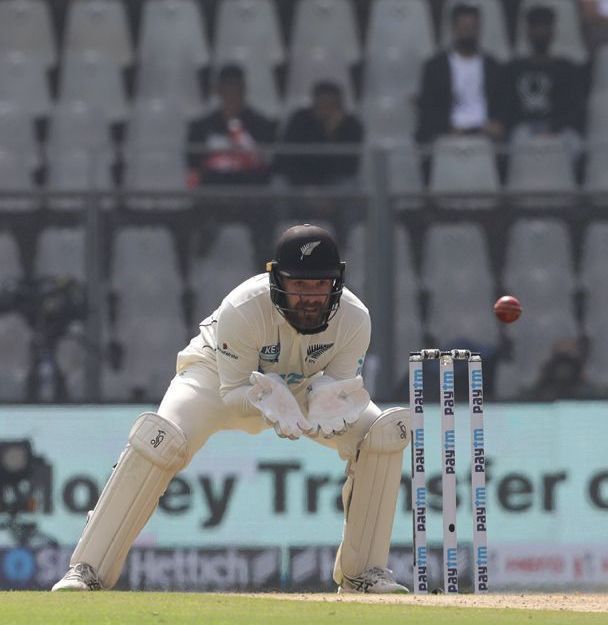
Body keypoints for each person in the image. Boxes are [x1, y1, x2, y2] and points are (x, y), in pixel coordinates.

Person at [51, 224, 411, 594]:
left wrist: (323, 405)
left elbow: (336, 393)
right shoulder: (243, 307)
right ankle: (87, 570)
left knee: (379, 434)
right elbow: (232, 392)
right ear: (276, 279)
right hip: (216, 378)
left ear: (336, 282)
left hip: (302, 387)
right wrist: (267, 396)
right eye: (299, 285)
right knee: (159, 439)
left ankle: (362, 574)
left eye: (320, 285)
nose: (310, 297)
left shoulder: (354, 318)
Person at [414, 3, 506, 146]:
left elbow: (503, 106)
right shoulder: (435, 68)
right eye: (464, 27)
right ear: (454, 28)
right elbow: (428, 110)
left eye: (472, 27)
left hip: (486, 137)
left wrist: (497, 125)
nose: (468, 32)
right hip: (447, 138)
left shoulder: (493, 67)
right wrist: (447, 128)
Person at [504, 6, 586, 155]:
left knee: (573, 142)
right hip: (524, 129)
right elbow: (508, 109)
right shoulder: (513, 69)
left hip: (559, 130)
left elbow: (574, 109)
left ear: (553, 32)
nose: (540, 32)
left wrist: (552, 128)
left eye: (545, 27)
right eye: (536, 27)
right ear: (528, 32)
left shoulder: (567, 69)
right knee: (519, 138)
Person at [186, 64, 278, 186]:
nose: (232, 93)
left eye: (236, 88)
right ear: (218, 90)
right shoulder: (200, 127)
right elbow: (193, 166)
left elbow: (267, 166)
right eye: (227, 87)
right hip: (213, 196)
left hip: (249, 196)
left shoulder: (263, 126)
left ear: (244, 90)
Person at [278, 82, 364, 187]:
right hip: (302, 178)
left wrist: (331, 134)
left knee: (349, 184)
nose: (326, 109)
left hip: (334, 180)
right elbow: (288, 160)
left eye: (332, 104)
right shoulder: (300, 119)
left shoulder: (351, 125)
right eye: (323, 103)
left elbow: (348, 167)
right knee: (279, 183)